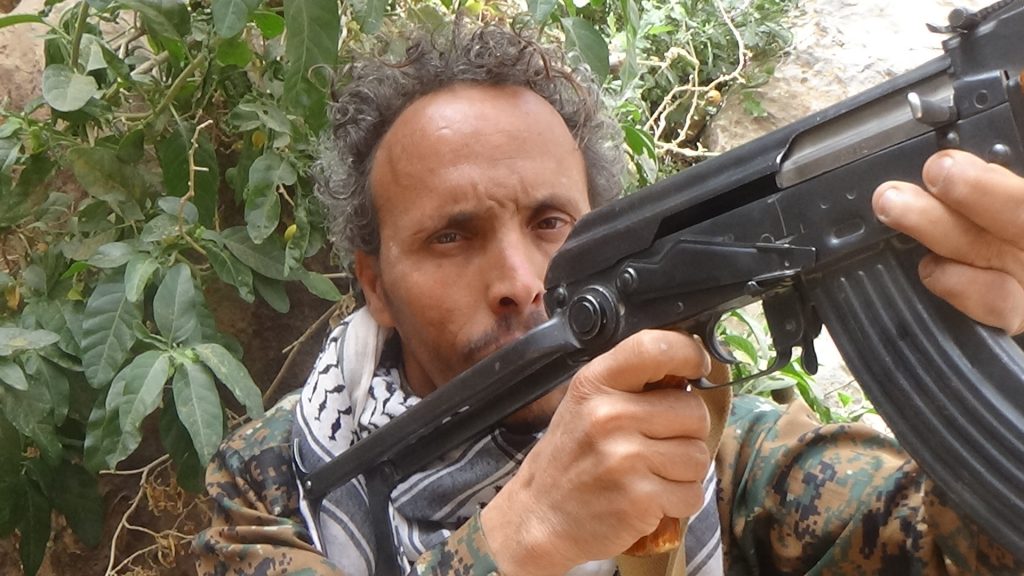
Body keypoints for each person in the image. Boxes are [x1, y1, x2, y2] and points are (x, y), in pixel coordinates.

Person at [194, 18, 1024, 576]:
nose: (521, 282)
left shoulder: (720, 451)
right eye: (451, 236)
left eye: (550, 223)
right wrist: (519, 538)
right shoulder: (273, 479)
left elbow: (954, 550)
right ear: (374, 284)